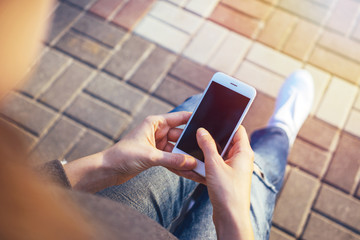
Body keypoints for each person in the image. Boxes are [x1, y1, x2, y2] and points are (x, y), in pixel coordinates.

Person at [0, 1, 314, 239]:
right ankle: (281, 130)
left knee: (196, 113)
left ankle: (209, 187)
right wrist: (233, 218)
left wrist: (109, 162)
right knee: (252, 170)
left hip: (103, 218)